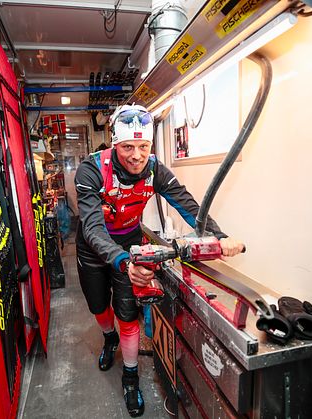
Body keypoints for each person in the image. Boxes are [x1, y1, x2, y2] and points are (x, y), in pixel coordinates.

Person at [74, 104, 244, 417]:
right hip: (94, 248)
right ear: (115, 144)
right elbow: (94, 229)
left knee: (127, 313)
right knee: (99, 308)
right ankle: (108, 338)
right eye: (127, 147)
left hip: (129, 242)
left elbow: (188, 206)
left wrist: (218, 237)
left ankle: (129, 376)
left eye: (143, 146)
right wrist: (124, 262)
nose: (136, 155)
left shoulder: (155, 168)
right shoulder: (92, 169)